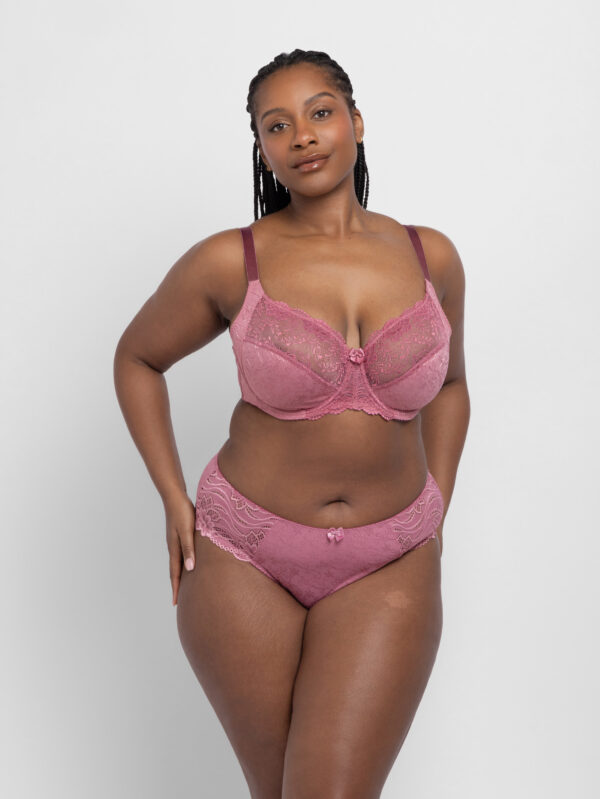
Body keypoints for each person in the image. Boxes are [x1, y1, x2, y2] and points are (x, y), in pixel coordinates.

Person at [114, 48, 470, 799]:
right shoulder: (229, 260)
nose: (302, 136)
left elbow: (452, 386)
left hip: (390, 557)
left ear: (356, 122)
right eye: (277, 126)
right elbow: (138, 358)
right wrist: (173, 497)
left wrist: (437, 503)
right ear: (263, 150)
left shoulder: (430, 256)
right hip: (243, 554)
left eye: (320, 113)